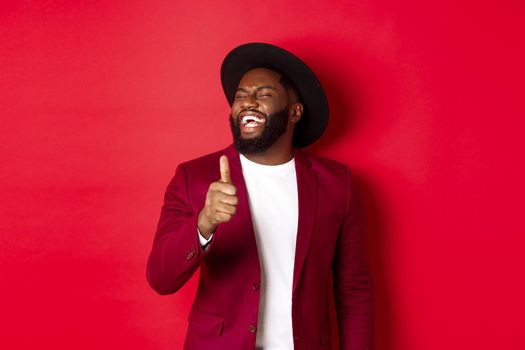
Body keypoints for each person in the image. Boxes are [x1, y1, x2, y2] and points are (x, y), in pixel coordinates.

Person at [146, 43, 373, 350]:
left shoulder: (337, 184)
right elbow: (161, 278)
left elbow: (353, 290)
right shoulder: (194, 177)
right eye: (241, 96)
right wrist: (204, 222)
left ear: (295, 112)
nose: (248, 103)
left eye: (264, 94)